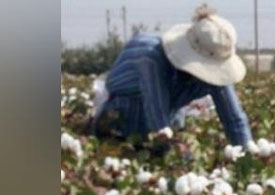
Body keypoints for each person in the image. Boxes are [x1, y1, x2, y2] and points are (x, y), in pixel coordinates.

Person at [92, 6, 252, 149]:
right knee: (148, 142)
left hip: (170, 111)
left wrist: (247, 151)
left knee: (177, 133)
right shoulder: (150, 57)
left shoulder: (213, 53)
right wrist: (169, 145)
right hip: (125, 110)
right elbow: (155, 109)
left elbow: (234, 118)